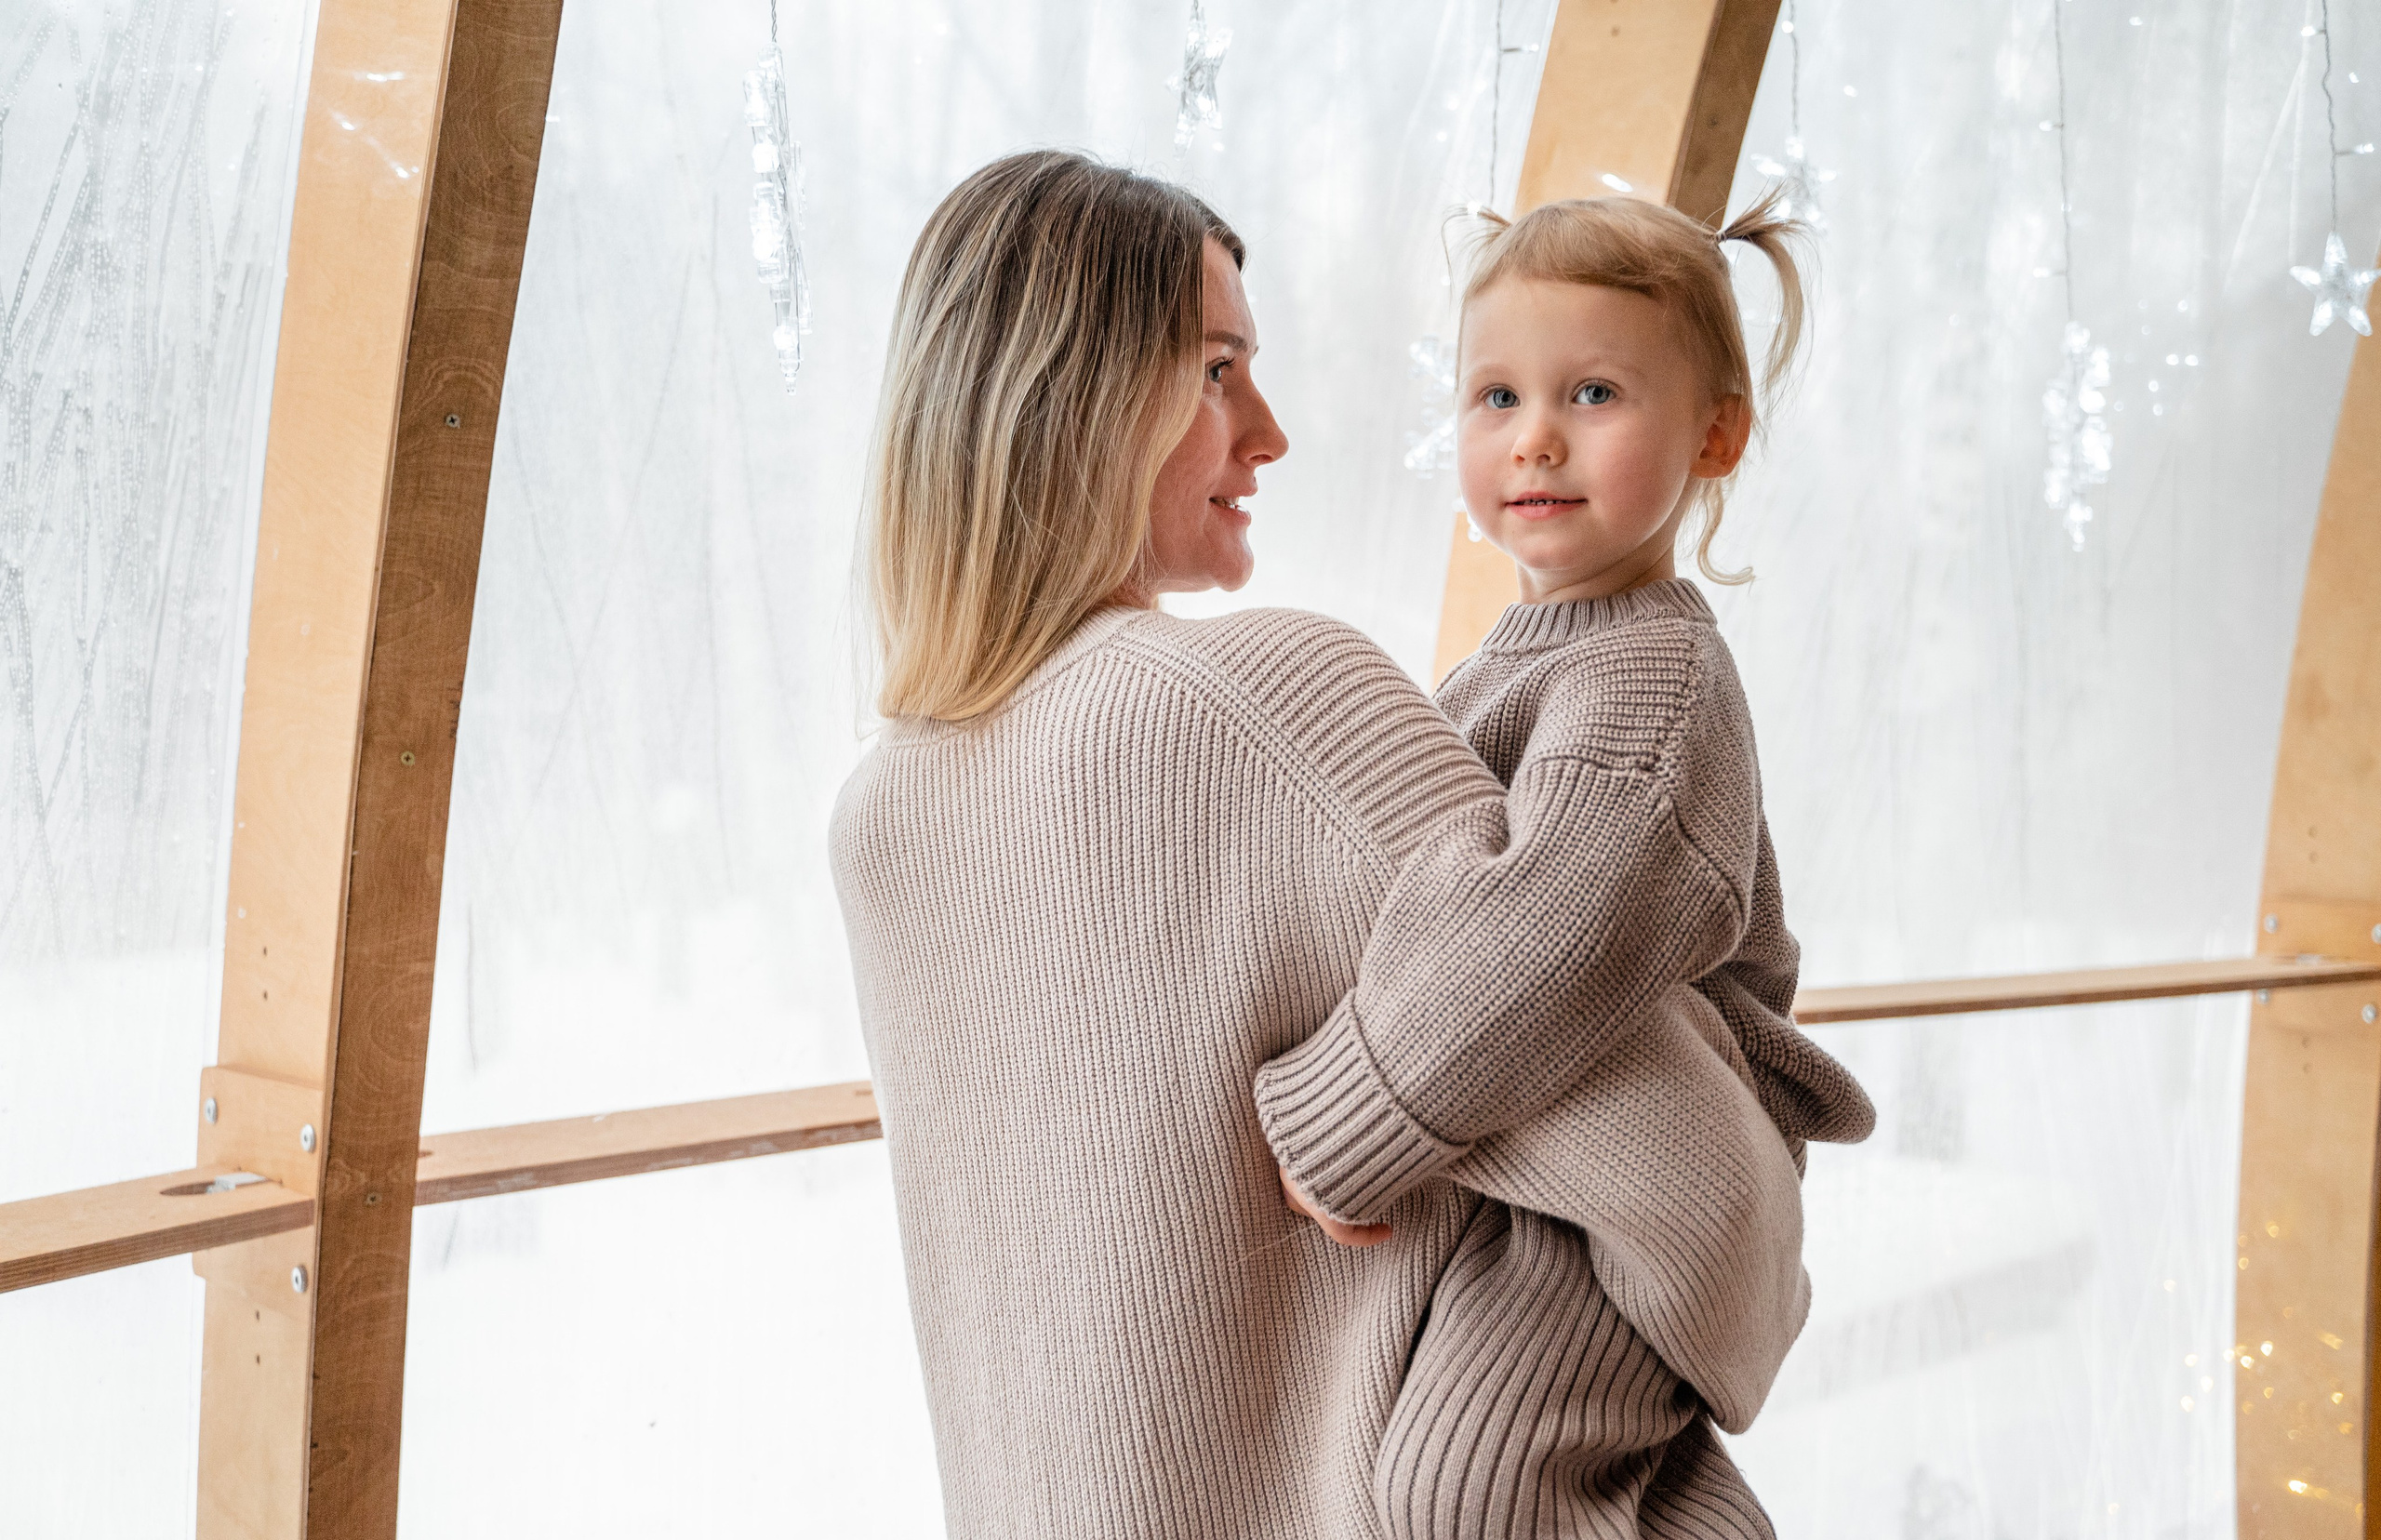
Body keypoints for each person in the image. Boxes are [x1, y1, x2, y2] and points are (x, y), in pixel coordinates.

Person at [831, 150, 1862, 1539]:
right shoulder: (1271, 712)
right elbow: (1707, 1205)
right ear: (1069, 395)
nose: (1269, 430)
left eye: (1591, 393)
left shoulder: (879, 818)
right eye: (1214, 369)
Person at [1258, 192, 1874, 1540]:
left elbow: (1549, 927)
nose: (1534, 436)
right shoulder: (1522, 656)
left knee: (1469, 1489)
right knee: (1572, 1485)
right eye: (1495, 396)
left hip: (1648, 1199)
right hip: (1573, 1173)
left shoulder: (1649, 679)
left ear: (1716, 434)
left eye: (1593, 392)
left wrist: (1349, 1122)